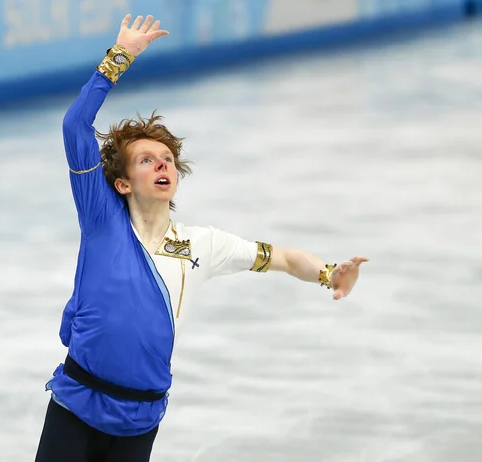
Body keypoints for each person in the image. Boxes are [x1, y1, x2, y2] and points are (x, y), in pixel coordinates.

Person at [34, 13, 368, 462]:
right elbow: (76, 126)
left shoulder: (200, 245)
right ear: (122, 183)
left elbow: (284, 259)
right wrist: (119, 58)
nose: (162, 166)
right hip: (77, 406)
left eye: (168, 159)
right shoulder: (101, 219)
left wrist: (329, 273)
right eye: (147, 160)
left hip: (139, 420)